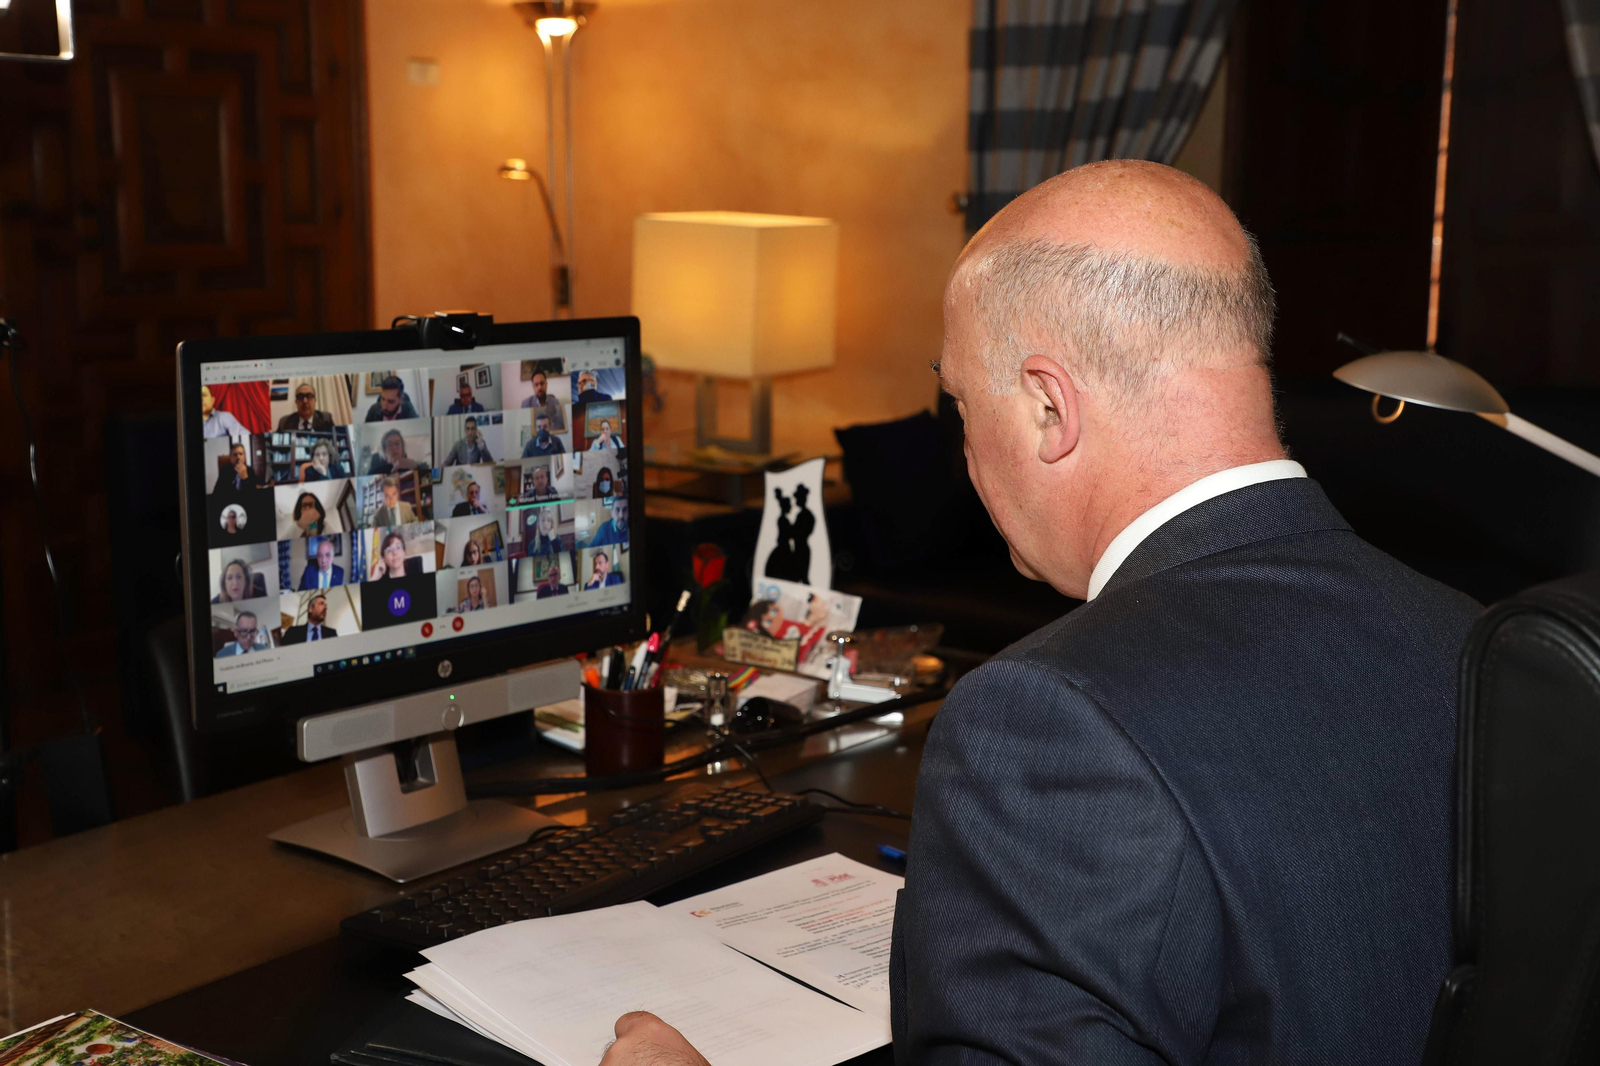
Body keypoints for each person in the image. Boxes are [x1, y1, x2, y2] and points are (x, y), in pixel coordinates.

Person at [599, 161, 1481, 1066]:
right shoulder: (1469, 638)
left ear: (1049, 405)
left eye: (961, 404)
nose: (967, 451)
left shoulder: (1049, 718)